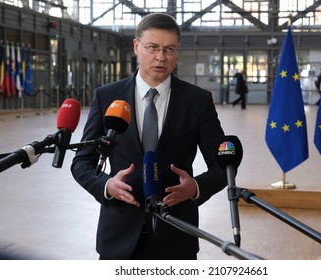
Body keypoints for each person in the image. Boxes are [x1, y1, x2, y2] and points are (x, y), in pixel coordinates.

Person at [70, 13, 227, 260]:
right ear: (136, 47)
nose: (160, 57)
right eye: (152, 47)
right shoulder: (107, 97)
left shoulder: (198, 101)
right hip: (118, 235)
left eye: (169, 49)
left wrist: (195, 187)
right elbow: (81, 162)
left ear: (178, 51)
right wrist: (106, 185)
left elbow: (222, 166)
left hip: (176, 234)